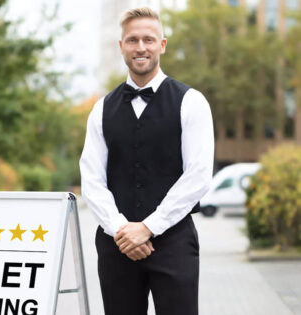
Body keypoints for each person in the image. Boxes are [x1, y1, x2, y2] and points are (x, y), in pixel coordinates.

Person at [79, 7, 214, 315]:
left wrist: (149, 227)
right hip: (117, 245)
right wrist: (122, 230)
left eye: (149, 40)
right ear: (121, 46)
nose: (141, 47)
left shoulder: (191, 102)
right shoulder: (101, 109)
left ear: (162, 45)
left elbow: (198, 175)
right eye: (133, 40)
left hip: (174, 244)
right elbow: (91, 178)